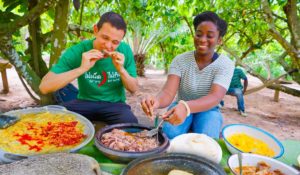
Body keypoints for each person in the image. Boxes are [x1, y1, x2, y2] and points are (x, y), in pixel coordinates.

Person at [141, 11, 234, 139]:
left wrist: (187, 107)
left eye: (210, 36)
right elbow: (168, 93)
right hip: (179, 106)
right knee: (168, 134)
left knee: (207, 138)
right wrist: (155, 102)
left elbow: (215, 97)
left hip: (208, 109)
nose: (202, 39)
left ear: (219, 40)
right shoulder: (180, 60)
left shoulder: (225, 64)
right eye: (199, 34)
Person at [39, 11, 138, 124]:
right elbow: (44, 87)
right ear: (95, 30)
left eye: (115, 42)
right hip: (84, 102)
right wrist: (82, 69)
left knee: (131, 125)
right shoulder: (77, 51)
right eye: (105, 38)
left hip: (115, 105)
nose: (108, 45)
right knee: (53, 119)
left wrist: (121, 70)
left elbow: (133, 88)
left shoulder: (125, 51)